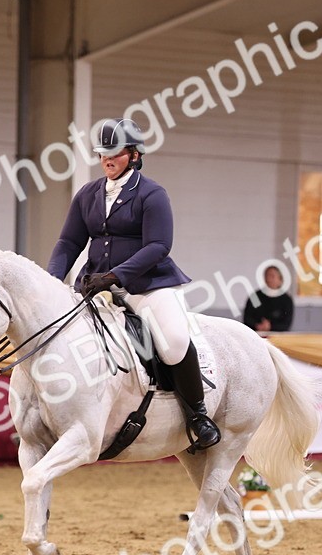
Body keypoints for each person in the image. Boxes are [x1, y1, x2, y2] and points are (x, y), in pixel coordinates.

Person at [46, 118, 220, 452]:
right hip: (95, 286)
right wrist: (52, 281)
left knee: (172, 341)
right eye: (101, 154)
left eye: (114, 153)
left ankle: (198, 415)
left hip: (146, 286)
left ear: (134, 154)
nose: (106, 160)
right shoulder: (88, 195)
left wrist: (115, 277)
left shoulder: (152, 194)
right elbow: (69, 243)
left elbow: (158, 246)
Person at [243, 265, 294, 332]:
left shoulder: (286, 300)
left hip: (278, 337)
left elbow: (286, 323)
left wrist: (270, 327)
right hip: (256, 335)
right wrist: (257, 325)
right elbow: (247, 318)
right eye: (267, 276)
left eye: (272, 276)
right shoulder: (255, 297)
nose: (269, 279)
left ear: (280, 280)